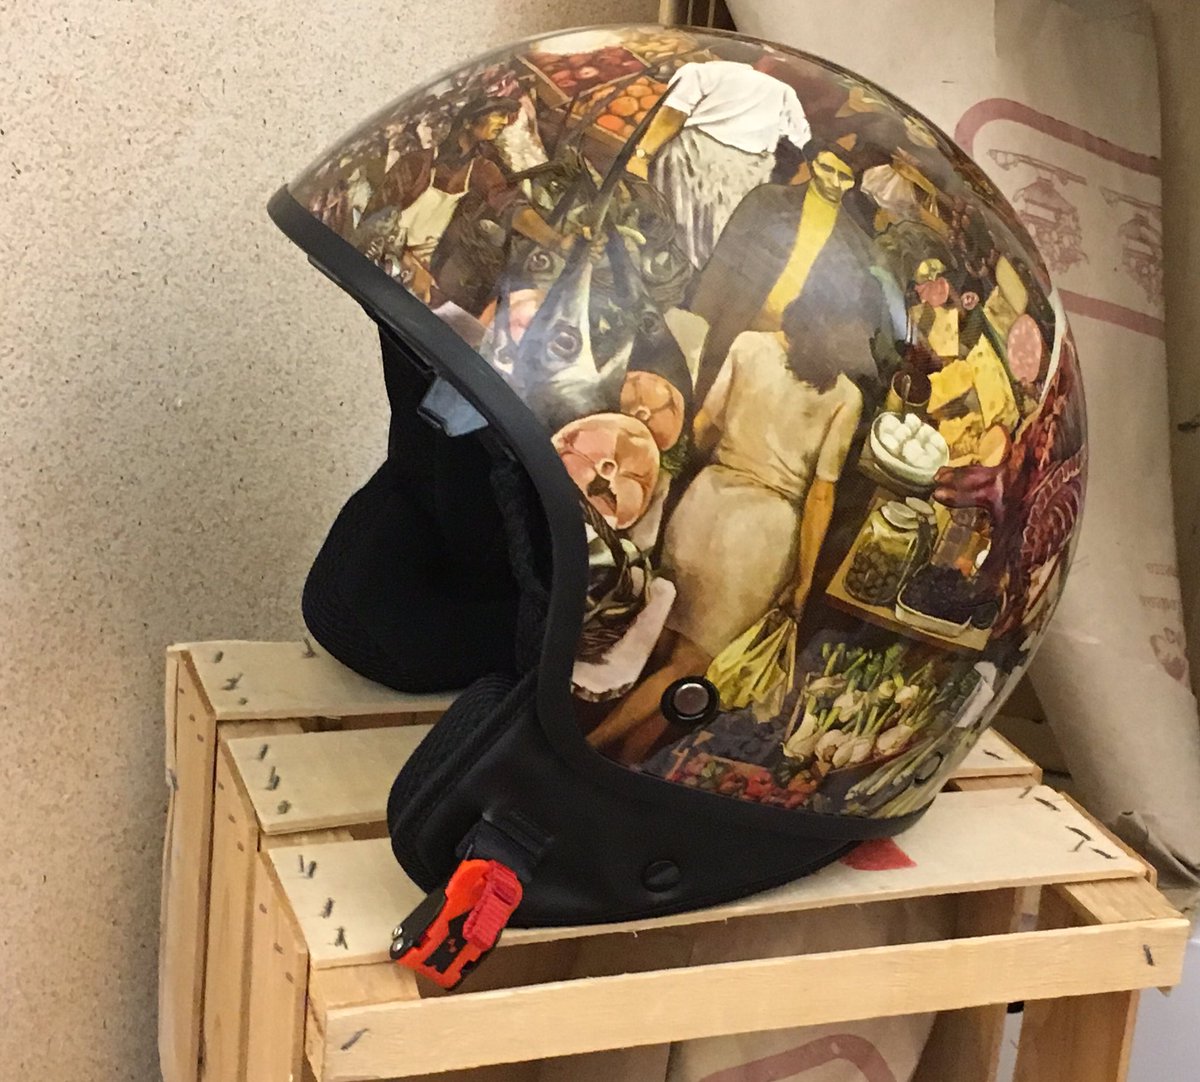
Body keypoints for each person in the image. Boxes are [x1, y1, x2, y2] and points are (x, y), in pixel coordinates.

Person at [586, 300, 864, 758]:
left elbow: (703, 428)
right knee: (688, 669)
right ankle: (595, 748)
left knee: (657, 646)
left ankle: (610, 752)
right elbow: (821, 495)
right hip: (761, 537)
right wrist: (804, 580)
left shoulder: (749, 345)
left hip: (704, 504)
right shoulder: (844, 396)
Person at [687, 146, 885, 405]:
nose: (834, 182)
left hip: (787, 354)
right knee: (700, 400)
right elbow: (721, 268)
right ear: (813, 164)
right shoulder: (767, 201)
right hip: (731, 327)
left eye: (844, 177)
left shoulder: (855, 245)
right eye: (827, 169)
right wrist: (696, 328)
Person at [355, 96, 568, 306]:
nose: (504, 121)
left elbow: (511, 206)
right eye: (498, 114)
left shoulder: (482, 170)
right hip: (385, 263)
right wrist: (407, 264)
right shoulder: (415, 164)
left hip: (433, 274)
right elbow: (372, 224)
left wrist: (556, 242)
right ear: (468, 121)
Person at [627, 59, 812, 271]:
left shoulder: (702, 71)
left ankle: (664, 270)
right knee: (719, 240)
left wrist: (641, 157)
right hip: (748, 170)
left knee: (675, 225)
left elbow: (671, 116)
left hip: (694, 157)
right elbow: (803, 144)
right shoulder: (785, 93)